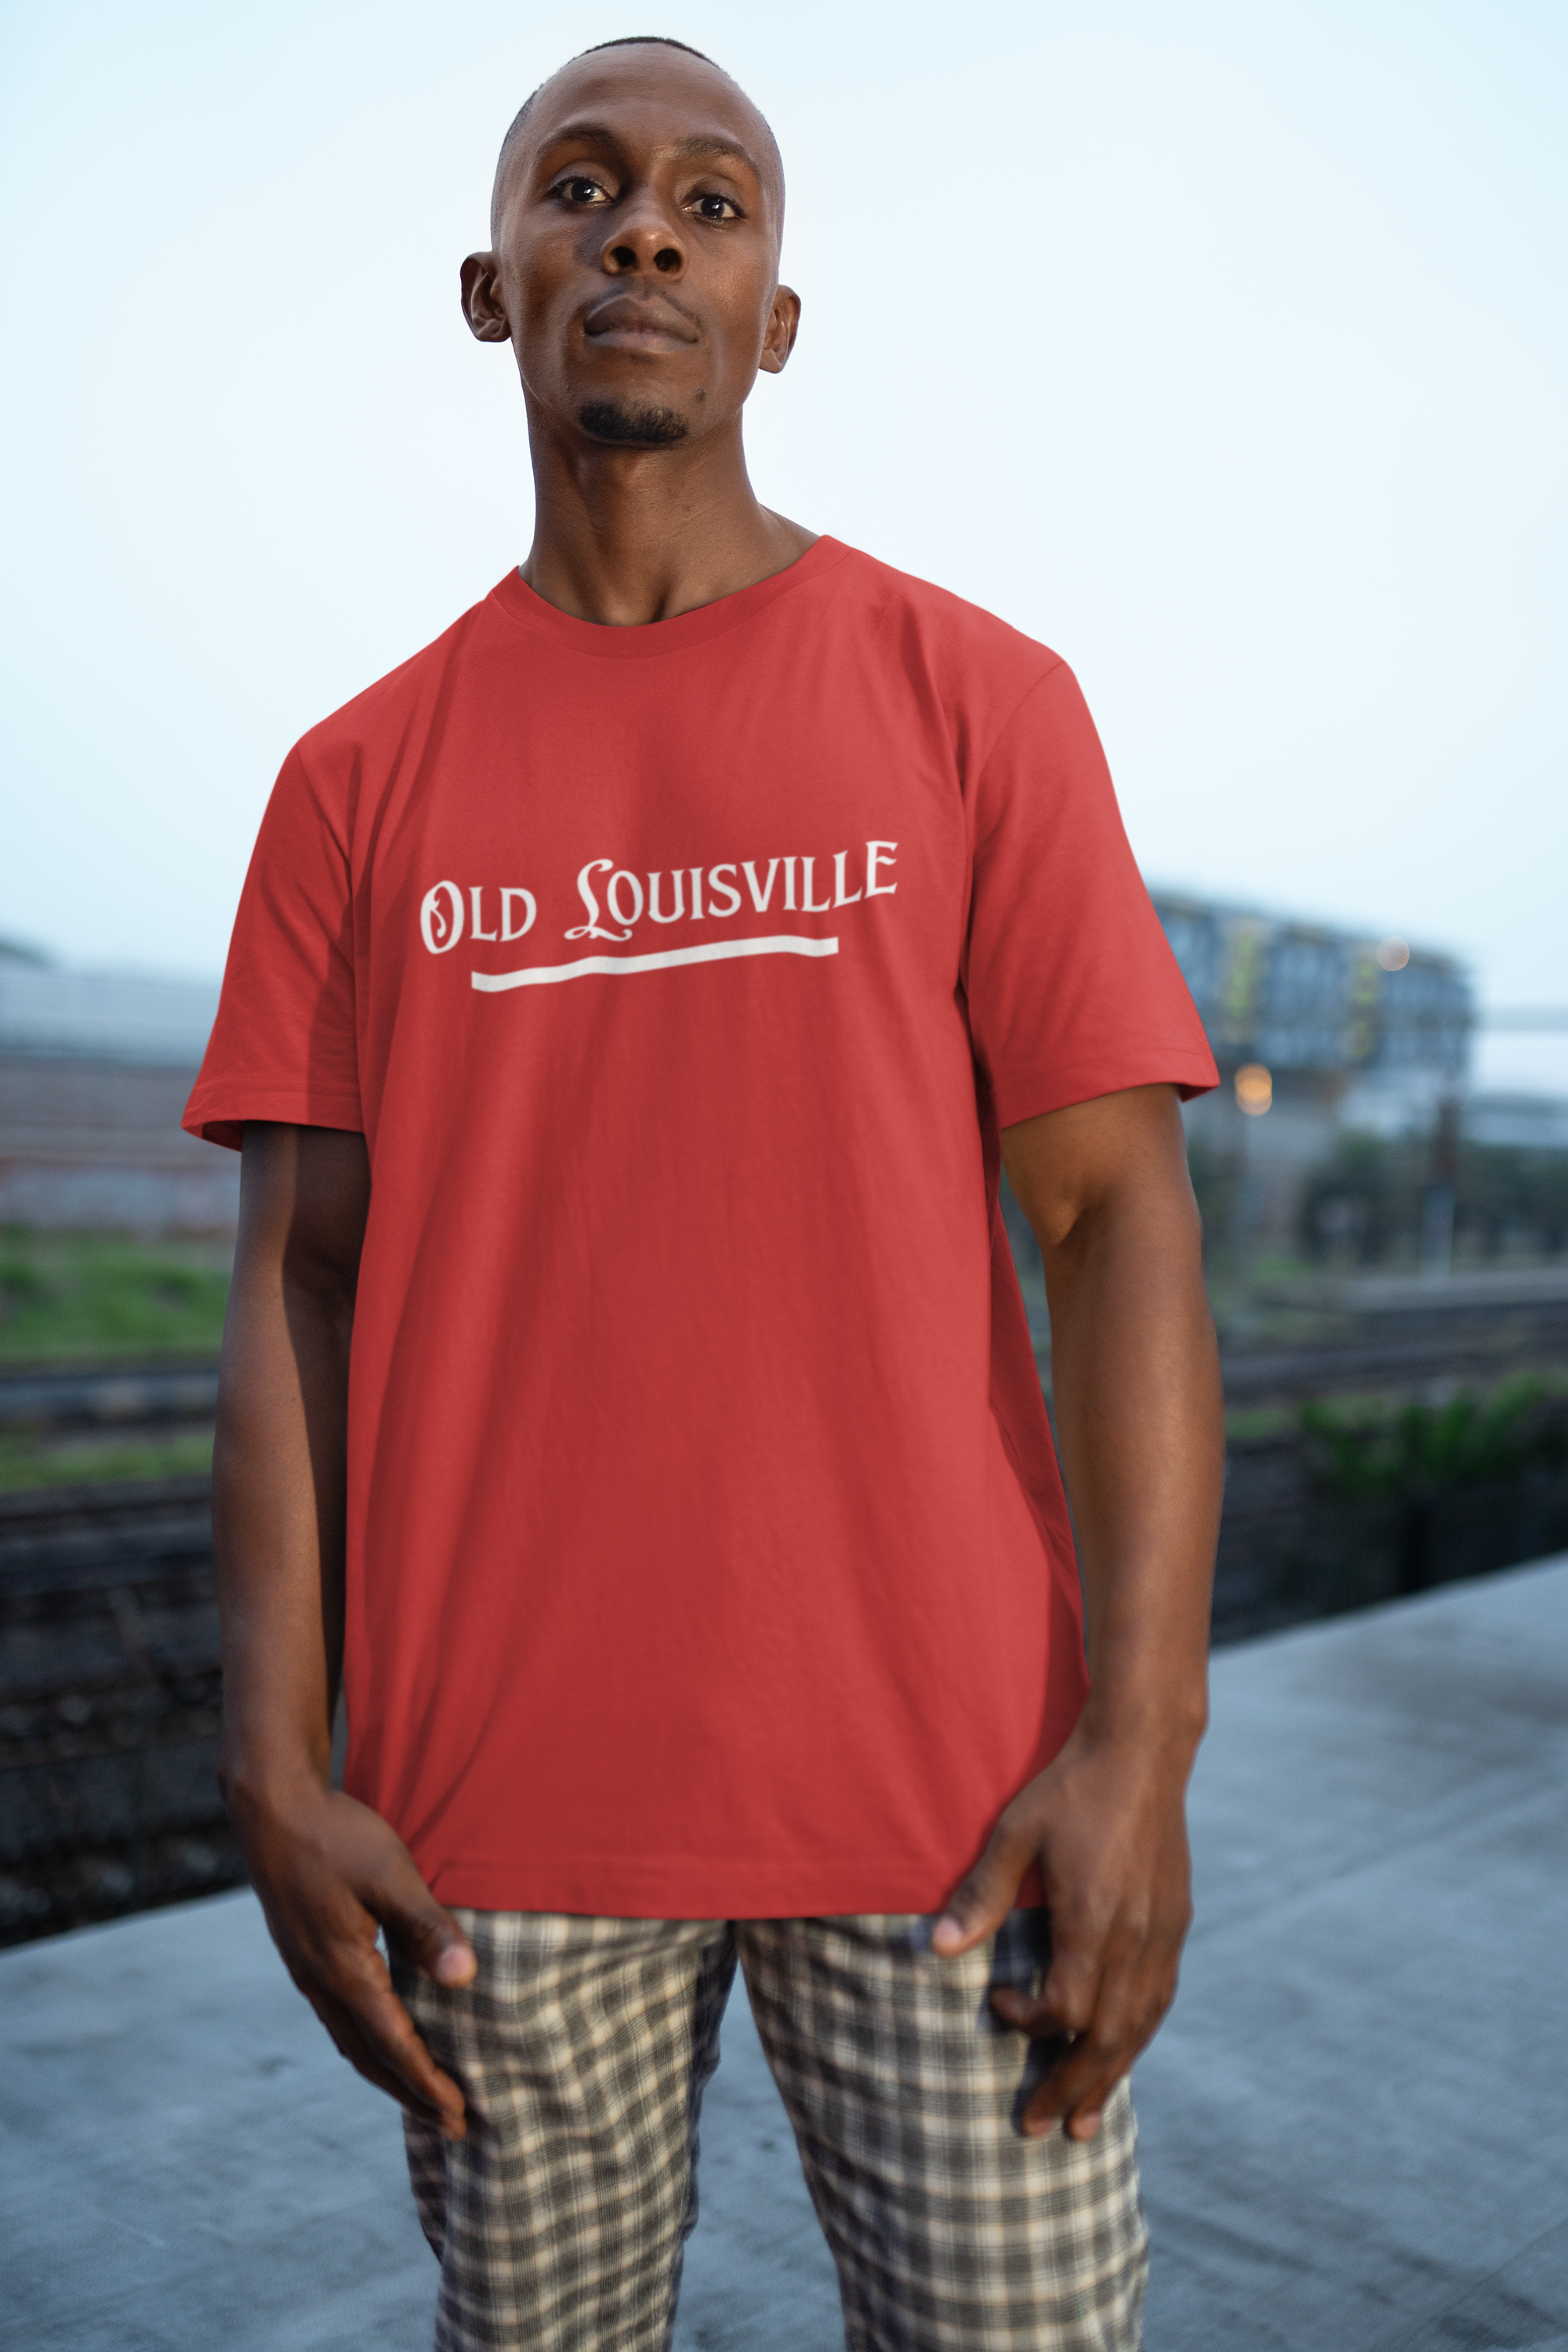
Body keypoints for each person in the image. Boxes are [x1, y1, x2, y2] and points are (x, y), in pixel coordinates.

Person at [186, 33, 1225, 2352]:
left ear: (777, 316)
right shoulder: (353, 783)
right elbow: (298, 1291)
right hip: (489, 1828)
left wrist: (1140, 1745)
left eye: (710, 200)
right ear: (496, 284)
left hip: (955, 1805)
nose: (643, 227)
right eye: (583, 187)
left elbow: (1114, 1227)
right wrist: (275, 1770)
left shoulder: (979, 702)